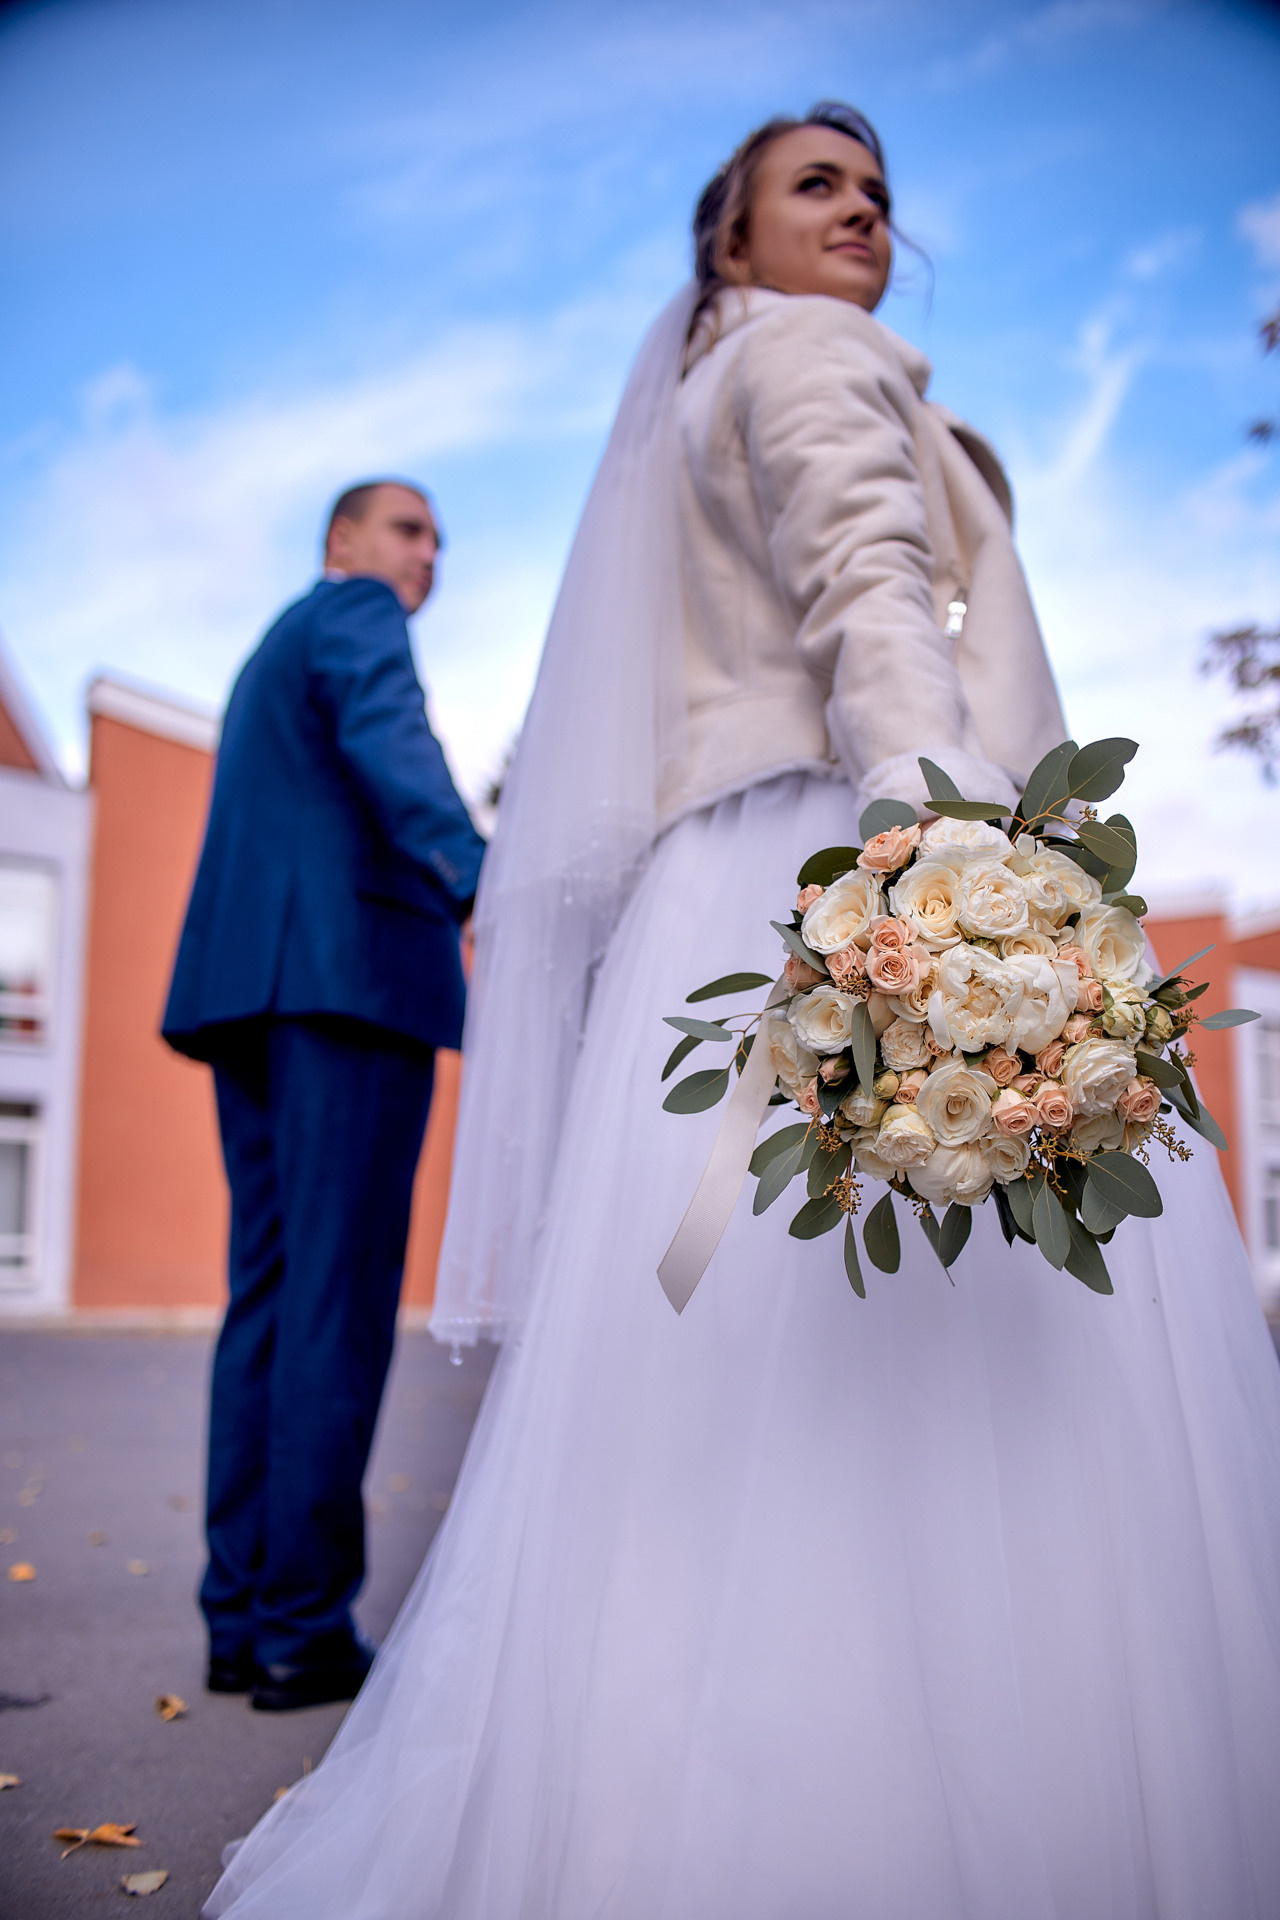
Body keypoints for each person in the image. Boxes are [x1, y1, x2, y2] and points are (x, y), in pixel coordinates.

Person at [205, 109, 1280, 1915]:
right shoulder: (802, 354)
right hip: (852, 858)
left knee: (734, 1381)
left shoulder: (712, 390)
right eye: (816, 186)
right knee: (938, 1362)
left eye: (876, 193)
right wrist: (957, 878)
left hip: (738, 885)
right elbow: (871, 584)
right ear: (732, 247)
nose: (861, 211)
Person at [164, 480, 485, 1713]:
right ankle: (303, 1625)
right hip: (344, 987)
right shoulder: (355, 617)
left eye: (438, 541)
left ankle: (243, 1620)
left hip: (250, 993)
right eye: (408, 529)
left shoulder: (269, 648)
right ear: (343, 542)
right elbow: (389, 743)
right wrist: (476, 879)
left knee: (275, 1298)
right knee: (336, 1304)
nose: (427, 554)